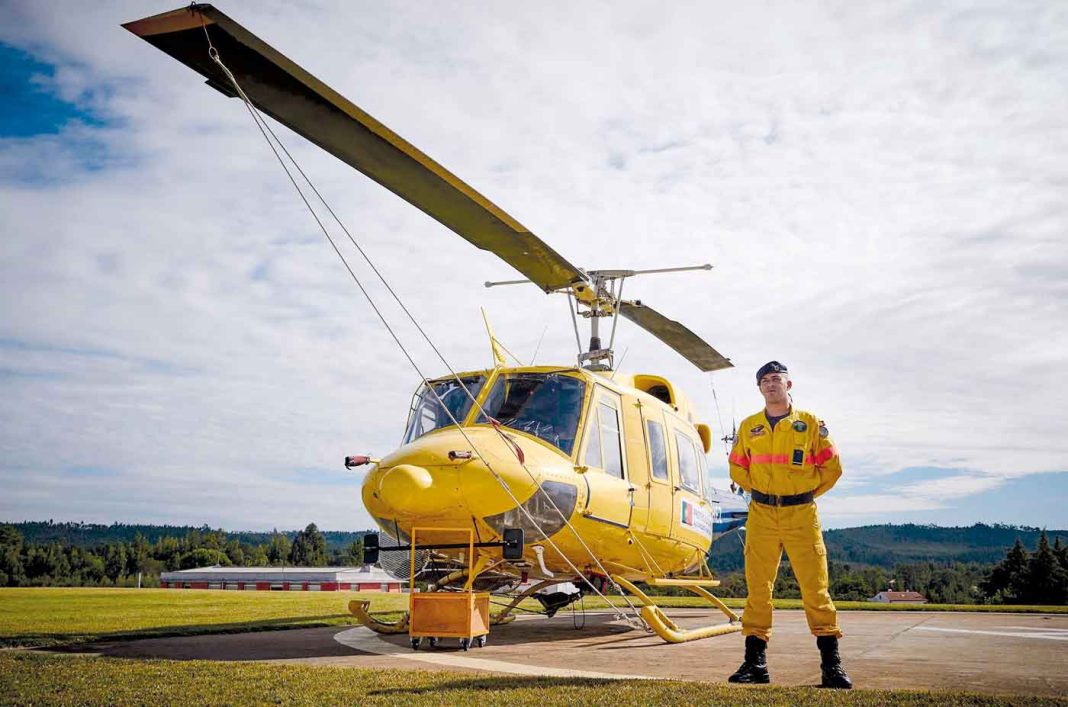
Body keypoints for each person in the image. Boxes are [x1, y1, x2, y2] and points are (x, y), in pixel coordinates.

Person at [726, 361, 853, 689]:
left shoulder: (810, 423)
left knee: (815, 588)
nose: (771, 385)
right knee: (758, 588)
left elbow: (832, 467)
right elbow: (737, 468)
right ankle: (755, 664)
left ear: (789, 384)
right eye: (765, 381)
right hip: (762, 515)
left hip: (800, 514)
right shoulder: (749, 426)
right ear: (759, 388)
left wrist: (805, 493)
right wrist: (761, 492)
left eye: (776, 379)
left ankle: (832, 666)